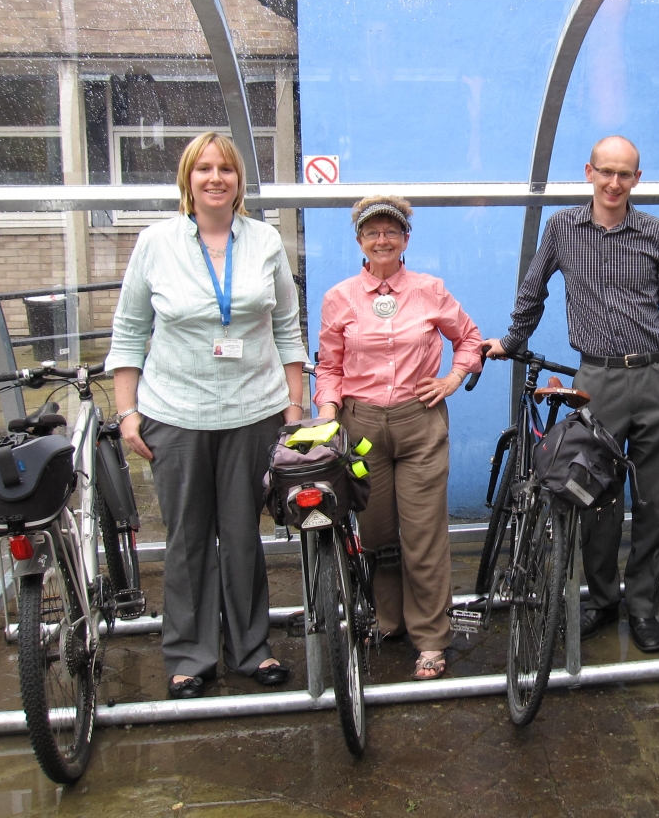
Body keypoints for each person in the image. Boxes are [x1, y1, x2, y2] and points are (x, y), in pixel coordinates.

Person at [107, 131, 307, 699]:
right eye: (204, 169)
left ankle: (251, 649)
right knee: (188, 540)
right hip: (176, 415)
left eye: (226, 169)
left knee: (244, 536)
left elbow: (287, 328)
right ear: (187, 180)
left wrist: (293, 408)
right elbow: (129, 333)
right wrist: (127, 413)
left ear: (240, 181)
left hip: (254, 413)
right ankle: (190, 656)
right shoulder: (155, 242)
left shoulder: (265, 241)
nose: (215, 178)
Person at [484, 135, 659, 653]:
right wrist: (512, 341)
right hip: (596, 382)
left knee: (653, 498)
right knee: (595, 495)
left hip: (657, 378)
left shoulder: (656, 233)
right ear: (589, 172)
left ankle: (642, 605)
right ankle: (603, 599)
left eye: (625, 174)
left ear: (637, 180)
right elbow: (532, 292)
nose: (614, 183)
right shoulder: (562, 228)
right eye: (606, 171)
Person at [313, 196, 483, 681]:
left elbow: (469, 338)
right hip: (361, 429)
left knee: (424, 535)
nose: (382, 239)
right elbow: (328, 366)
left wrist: (452, 379)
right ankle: (389, 621)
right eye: (373, 232)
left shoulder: (430, 290)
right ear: (359, 241)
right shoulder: (339, 297)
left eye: (392, 231)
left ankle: (430, 637)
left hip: (419, 425)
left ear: (406, 239)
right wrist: (327, 416)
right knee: (377, 532)